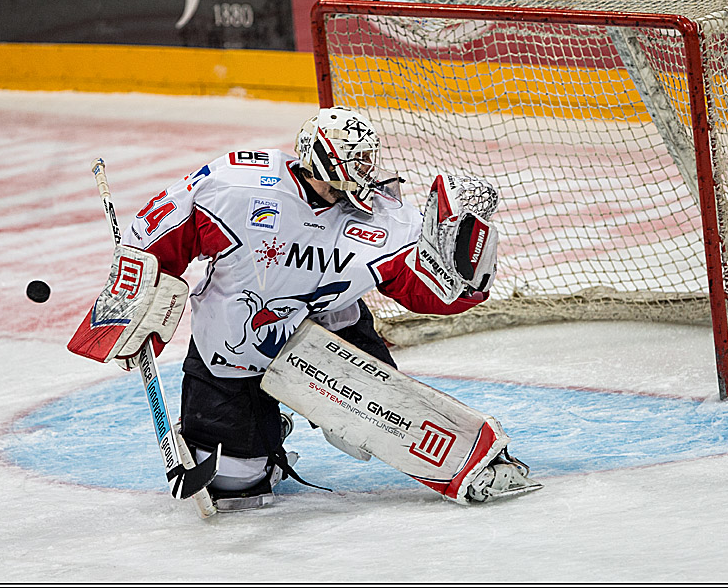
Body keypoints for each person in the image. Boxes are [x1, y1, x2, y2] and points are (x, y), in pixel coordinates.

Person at [121, 106, 501, 507]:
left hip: (330, 334)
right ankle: (261, 439)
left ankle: (303, 411)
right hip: (232, 340)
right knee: (235, 485)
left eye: (366, 160)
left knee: (367, 425)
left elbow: (424, 291)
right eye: (353, 160)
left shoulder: (386, 218)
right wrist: (134, 297)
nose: (364, 173)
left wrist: (464, 273)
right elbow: (155, 234)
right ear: (322, 158)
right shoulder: (238, 184)